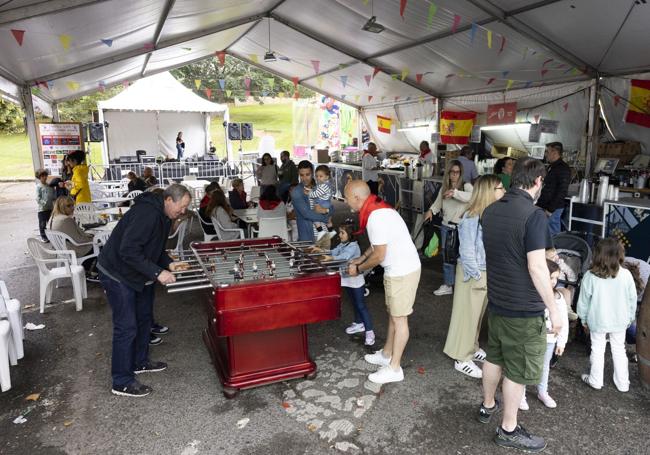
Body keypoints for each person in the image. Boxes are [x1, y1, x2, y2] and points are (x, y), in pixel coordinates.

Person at [478, 157, 558, 452]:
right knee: (517, 371)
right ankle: (508, 429)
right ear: (537, 182)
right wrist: (553, 308)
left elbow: (507, 252)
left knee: (494, 356)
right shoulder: (535, 215)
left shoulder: (491, 210)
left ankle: (487, 405)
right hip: (523, 310)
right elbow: (537, 268)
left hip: (497, 301)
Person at [97, 184, 191, 397]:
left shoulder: (165, 215)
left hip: (135, 273)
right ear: (168, 200)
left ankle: (139, 362)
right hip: (116, 273)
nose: (183, 211)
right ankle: (121, 381)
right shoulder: (147, 214)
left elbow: (154, 247)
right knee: (126, 327)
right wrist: (158, 273)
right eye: (182, 206)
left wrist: (168, 263)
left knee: (143, 318)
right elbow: (128, 251)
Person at [346, 181, 421, 384]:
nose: (346, 203)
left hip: (402, 271)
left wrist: (358, 269)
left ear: (356, 197)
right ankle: (387, 354)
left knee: (399, 319)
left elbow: (379, 255)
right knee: (393, 315)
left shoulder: (375, 217)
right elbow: (377, 245)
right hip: (397, 269)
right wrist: (361, 258)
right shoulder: (377, 209)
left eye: (346, 198)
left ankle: (395, 368)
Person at [443, 175, 505, 378]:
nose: (504, 191)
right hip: (473, 272)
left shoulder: (489, 214)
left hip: (484, 271)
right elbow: (467, 250)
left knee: (477, 315)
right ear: (489, 191)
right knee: (466, 315)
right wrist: (477, 275)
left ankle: (472, 346)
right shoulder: (472, 216)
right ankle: (462, 357)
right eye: (500, 188)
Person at [577, 237, 637, 392]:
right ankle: (623, 383)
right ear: (620, 255)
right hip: (620, 320)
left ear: (597, 255)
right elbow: (632, 299)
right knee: (619, 349)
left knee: (597, 349)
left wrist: (583, 318)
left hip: (597, 320)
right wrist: (630, 317)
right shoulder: (626, 275)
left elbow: (583, 302)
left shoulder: (590, 276)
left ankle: (596, 380)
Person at [520, 260, 569, 410]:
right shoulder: (531, 295)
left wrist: (561, 342)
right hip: (531, 339)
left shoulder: (559, 298)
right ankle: (520, 395)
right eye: (550, 277)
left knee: (544, 367)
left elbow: (563, 322)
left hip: (550, 340)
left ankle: (542, 391)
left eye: (556, 278)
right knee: (525, 365)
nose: (554, 282)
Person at [424, 160, 473, 296]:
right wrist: (431, 211)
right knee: (447, 258)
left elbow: (474, 197)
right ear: (448, 173)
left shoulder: (466, 186)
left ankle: (463, 285)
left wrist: (455, 193)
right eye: (452, 172)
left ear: (461, 173)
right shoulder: (444, 187)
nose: (454, 175)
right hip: (447, 226)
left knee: (463, 258)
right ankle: (448, 284)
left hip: (463, 228)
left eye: (457, 172)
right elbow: (438, 203)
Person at [326, 221, 375, 346]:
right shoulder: (343, 244)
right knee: (354, 302)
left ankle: (370, 332)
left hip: (356, 280)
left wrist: (329, 258)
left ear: (350, 234)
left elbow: (343, 257)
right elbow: (334, 252)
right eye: (340, 232)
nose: (339, 235)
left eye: (342, 233)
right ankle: (359, 324)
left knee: (361, 305)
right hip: (346, 278)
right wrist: (321, 252)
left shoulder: (353, 246)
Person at [48, 195, 95, 267]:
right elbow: (79, 240)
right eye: (68, 206)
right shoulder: (66, 220)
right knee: (104, 244)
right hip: (75, 250)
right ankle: (94, 269)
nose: (72, 208)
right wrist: (94, 238)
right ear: (61, 206)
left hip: (63, 249)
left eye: (73, 205)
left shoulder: (53, 217)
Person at [290, 161, 331, 243]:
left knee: (326, 255)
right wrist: (327, 216)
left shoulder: (319, 187)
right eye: (302, 175)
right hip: (308, 235)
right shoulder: (296, 192)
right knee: (312, 256)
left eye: (307, 174)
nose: (304, 178)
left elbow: (328, 203)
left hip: (324, 231)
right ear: (298, 174)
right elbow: (307, 214)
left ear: (312, 173)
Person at [536, 142, 571, 236]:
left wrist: (550, 209)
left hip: (553, 208)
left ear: (554, 152)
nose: (545, 154)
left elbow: (562, 191)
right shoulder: (552, 166)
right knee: (544, 234)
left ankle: (554, 250)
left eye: (547, 152)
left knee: (552, 236)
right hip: (545, 205)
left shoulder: (563, 168)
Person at [306, 165, 335, 239]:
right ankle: (331, 231)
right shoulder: (323, 185)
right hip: (326, 205)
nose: (318, 178)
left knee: (315, 218)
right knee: (328, 221)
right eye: (317, 176)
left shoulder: (324, 186)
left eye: (320, 176)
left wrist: (310, 193)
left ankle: (320, 231)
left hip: (323, 204)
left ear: (327, 177)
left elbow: (315, 194)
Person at [35, 169, 55, 241]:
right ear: (39, 177)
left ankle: (50, 236)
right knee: (42, 224)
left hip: (50, 208)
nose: (44, 177)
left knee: (50, 223)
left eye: (45, 175)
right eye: (42, 176)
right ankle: (43, 237)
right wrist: (43, 203)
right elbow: (37, 198)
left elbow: (53, 196)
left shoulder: (49, 186)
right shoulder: (38, 187)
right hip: (42, 210)